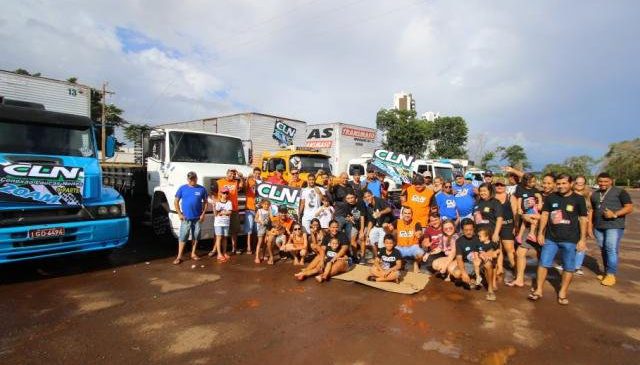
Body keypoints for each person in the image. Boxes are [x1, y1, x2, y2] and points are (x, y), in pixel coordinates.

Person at [529, 174, 588, 305]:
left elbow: (583, 219)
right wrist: (540, 233)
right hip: (551, 238)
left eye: (564, 183)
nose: (561, 186)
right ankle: (538, 290)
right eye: (559, 184)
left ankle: (562, 292)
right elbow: (545, 215)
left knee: (569, 267)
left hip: (571, 239)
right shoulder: (551, 197)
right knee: (543, 263)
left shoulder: (579, 199)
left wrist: (582, 239)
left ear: (571, 183)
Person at [508, 173, 554, 288]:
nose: (546, 185)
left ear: (554, 184)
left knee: (541, 256)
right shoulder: (535, 192)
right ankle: (519, 279)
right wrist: (524, 216)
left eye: (549, 183)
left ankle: (539, 284)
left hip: (545, 230)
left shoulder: (555, 197)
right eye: (544, 182)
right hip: (529, 228)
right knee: (520, 253)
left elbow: (553, 217)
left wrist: (533, 217)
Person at [589, 172, 633, 286]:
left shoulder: (620, 192)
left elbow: (629, 207)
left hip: (614, 226)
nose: (602, 184)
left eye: (605, 181)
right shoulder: (595, 194)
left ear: (611, 181)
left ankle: (611, 274)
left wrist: (615, 214)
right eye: (600, 181)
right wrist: (590, 227)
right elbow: (592, 211)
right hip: (598, 226)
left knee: (611, 249)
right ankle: (606, 273)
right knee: (603, 249)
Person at [173, 171, 207, 265]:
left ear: (196, 178)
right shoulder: (182, 188)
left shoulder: (202, 189)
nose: (192, 180)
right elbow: (176, 201)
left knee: (196, 236)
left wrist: (203, 214)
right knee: (183, 236)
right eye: (190, 179)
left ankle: (193, 253)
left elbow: (205, 202)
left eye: (193, 178)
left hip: (197, 218)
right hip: (186, 218)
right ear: (188, 179)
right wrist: (179, 213)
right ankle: (179, 256)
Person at [216, 169, 244, 254]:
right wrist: (215, 202)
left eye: (233, 174)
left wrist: (240, 176)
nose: (232, 175)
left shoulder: (236, 182)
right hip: (222, 210)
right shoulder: (219, 182)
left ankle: (234, 249)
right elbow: (213, 193)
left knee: (234, 231)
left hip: (234, 209)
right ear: (227, 174)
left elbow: (242, 185)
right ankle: (215, 250)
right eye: (230, 174)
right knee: (219, 232)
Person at [493, 179, 517, 280]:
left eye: (501, 185)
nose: (499, 186)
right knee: (498, 249)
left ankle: (516, 269)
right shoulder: (492, 197)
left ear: (505, 186)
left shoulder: (510, 197)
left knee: (510, 250)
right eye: (497, 184)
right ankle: (500, 269)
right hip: (495, 226)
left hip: (508, 225)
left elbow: (515, 213)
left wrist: (516, 227)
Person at [334, 193, 366, 262]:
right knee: (352, 241)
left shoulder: (360, 203)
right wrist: (349, 218)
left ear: (355, 197)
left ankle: (363, 256)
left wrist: (361, 230)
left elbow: (362, 217)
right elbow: (347, 215)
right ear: (346, 199)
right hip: (355, 225)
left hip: (364, 224)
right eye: (348, 198)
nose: (350, 200)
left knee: (362, 238)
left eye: (352, 197)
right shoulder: (346, 206)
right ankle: (355, 257)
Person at [450, 219, 482, 289]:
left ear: (474, 229)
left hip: (479, 263)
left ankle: (477, 278)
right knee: (456, 273)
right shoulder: (459, 241)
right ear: (462, 230)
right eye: (466, 230)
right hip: (467, 264)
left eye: (470, 230)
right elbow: (459, 258)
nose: (468, 232)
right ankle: (471, 279)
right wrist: (464, 273)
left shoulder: (479, 238)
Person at [571, 175, 593, 275]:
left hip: (584, 221)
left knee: (581, 242)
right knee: (570, 243)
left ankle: (577, 267)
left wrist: (590, 227)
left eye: (582, 183)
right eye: (577, 182)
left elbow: (591, 210)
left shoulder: (589, 194)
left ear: (585, 184)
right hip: (571, 222)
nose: (579, 185)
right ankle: (568, 264)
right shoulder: (569, 193)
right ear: (574, 183)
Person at [393, 206, 425, 273]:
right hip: (400, 247)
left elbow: (419, 232)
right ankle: (401, 263)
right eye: (405, 213)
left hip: (413, 247)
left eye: (409, 213)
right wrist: (386, 227)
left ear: (412, 214)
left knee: (420, 254)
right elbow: (388, 229)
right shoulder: (397, 222)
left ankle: (415, 264)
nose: (407, 215)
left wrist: (419, 234)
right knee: (390, 254)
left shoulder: (416, 223)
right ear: (402, 214)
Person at [363, 189, 394, 257]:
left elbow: (389, 209)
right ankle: (377, 257)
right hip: (376, 226)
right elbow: (370, 221)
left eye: (369, 196)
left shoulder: (379, 200)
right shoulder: (369, 207)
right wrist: (367, 235)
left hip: (385, 225)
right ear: (364, 199)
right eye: (365, 197)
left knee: (381, 243)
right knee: (371, 240)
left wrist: (380, 213)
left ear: (372, 195)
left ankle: (384, 258)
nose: (367, 198)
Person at [514, 173, 543, 245]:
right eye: (531, 182)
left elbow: (539, 196)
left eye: (534, 181)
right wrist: (519, 208)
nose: (533, 183)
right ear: (526, 182)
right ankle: (531, 233)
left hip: (532, 208)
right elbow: (519, 199)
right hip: (526, 209)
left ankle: (519, 236)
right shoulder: (521, 189)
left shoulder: (535, 189)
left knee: (525, 222)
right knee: (535, 219)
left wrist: (539, 202)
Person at [244, 167, 262, 256]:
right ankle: (248, 247)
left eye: (259, 173)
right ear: (253, 173)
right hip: (249, 208)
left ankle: (255, 246)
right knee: (249, 229)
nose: (257, 175)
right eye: (256, 173)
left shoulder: (262, 182)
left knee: (256, 229)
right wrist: (247, 177)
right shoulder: (249, 180)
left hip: (258, 209)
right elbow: (244, 186)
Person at [477, 227, 499, 301]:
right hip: (485, 261)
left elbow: (498, 250)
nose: (479, 238)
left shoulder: (493, 243)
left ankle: (492, 284)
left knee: (494, 265)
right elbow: (480, 253)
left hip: (493, 262)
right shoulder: (480, 244)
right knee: (488, 264)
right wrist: (485, 256)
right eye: (478, 236)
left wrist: (494, 253)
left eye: (480, 236)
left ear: (487, 237)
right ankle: (490, 288)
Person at [212, 187, 233, 263]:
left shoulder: (229, 202)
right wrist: (214, 207)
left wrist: (220, 212)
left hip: (226, 223)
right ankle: (219, 254)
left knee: (225, 238)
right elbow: (215, 214)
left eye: (227, 193)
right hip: (218, 223)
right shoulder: (217, 203)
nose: (225, 194)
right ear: (220, 194)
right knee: (219, 238)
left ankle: (224, 253)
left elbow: (230, 212)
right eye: (224, 193)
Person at [254, 199, 272, 264]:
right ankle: (256, 257)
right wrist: (260, 221)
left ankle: (263, 255)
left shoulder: (269, 211)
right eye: (265, 204)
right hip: (261, 228)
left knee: (265, 242)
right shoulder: (259, 210)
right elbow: (255, 219)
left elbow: (272, 219)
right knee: (260, 242)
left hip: (267, 228)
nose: (266, 206)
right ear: (262, 204)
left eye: (267, 204)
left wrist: (271, 215)